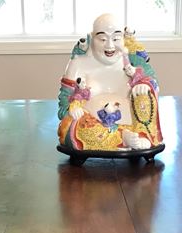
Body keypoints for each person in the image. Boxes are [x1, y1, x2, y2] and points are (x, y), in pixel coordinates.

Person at [57, 13, 163, 154]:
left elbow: (153, 83)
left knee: (146, 93)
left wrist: (144, 84)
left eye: (116, 38)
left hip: (134, 126)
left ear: (123, 38)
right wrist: (72, 108)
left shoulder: (132, 58)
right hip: (94, 127)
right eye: (102, 39)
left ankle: (142, 135)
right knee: (75, 126)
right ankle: (121, 138)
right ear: (92, 38)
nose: (110, 45)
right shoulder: (78, 63)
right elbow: (64, 104)